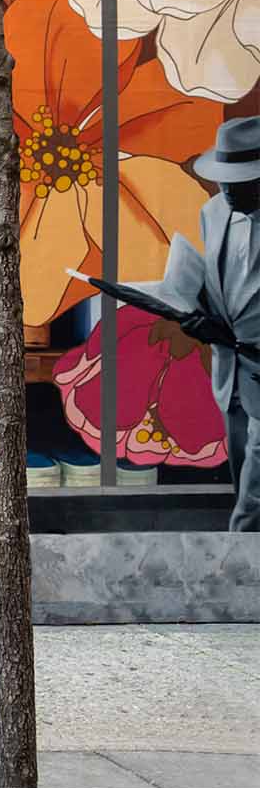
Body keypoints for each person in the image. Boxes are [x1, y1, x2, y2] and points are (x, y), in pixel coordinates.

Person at [124, 117, 260, 531]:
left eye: (240, 181)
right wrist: (195, 312)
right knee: (245, 479)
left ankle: (239, 574)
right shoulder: (214, 212)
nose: (228, 189)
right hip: (231, 371)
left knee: (252, 499)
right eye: (223, 179)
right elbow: (226, 286)